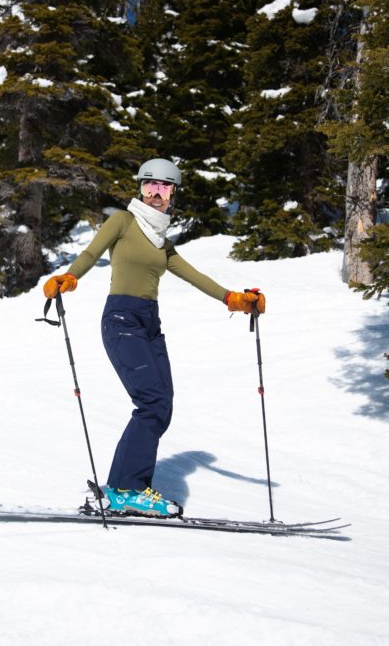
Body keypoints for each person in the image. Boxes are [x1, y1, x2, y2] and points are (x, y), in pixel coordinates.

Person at [43, 158, 265, 518]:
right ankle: (128, 489)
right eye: (150, 185)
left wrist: (234, 299)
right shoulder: (123, 221)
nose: (156, 193)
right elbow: (89, 252)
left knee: (161, 405)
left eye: (164, 187)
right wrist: (69, 277)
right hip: (120, 319)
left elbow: (194, 275)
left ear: (173, 192)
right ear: (140, 187)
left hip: (149, 324)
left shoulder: (161, 240)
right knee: (150, 401)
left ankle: (120, 489)